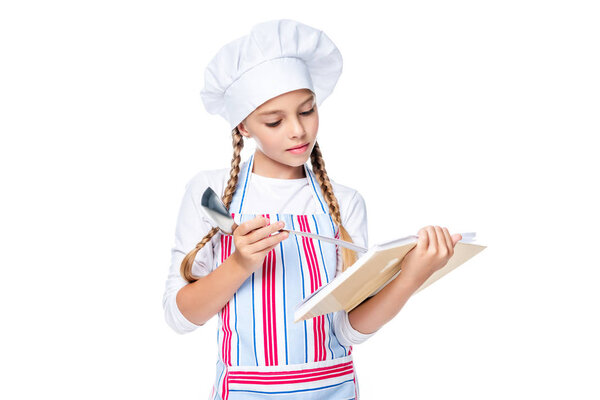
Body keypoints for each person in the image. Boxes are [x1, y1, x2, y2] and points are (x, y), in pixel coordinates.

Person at [162, 19, 462, 400]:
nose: (298, 131)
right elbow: (180, 317)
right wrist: (239, 265)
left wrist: (411, 276)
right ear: (243, 127)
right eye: (274, 120)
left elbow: (349, 330)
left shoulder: (345, 202)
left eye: (306, 111)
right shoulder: (212, 195)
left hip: (332, 389)